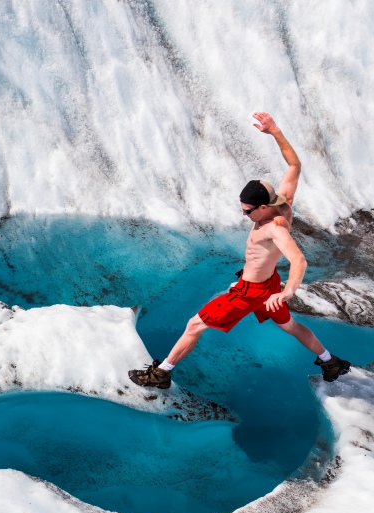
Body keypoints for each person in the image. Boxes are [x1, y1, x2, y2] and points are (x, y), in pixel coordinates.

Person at [129, 112, 351, 389]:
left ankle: (161, 374)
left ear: (263, 207)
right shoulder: (283, 203)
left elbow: (298, 259)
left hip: (252, 293)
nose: (244, 214)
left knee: (194, 325)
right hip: (268, 286)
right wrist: (275, 131)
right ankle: (331, 361)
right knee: (289, 325)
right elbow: (294, 165)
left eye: (247, 210)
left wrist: (288, 292)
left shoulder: (274, 227)